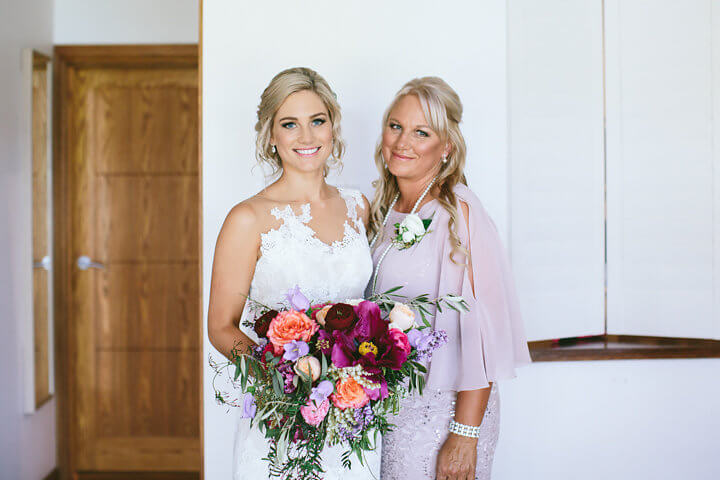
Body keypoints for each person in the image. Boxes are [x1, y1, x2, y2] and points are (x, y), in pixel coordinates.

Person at [207, 67, 380, 480]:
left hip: (353, 419)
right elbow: (220, 327)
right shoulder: (247, 219)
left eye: (317, 121)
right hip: (283, 420)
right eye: (289, 124)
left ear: (333, 128)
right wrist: (286, 384)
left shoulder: (358, 207)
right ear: (271, 134)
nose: (306, 136)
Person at [368, 77, 531, 480]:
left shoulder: (459, 213)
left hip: (443, 415)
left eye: (421, 132)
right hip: (389, 409)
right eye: (395, 126)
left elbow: (483, 333)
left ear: (446, 147)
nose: (402, 142)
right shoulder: (382, 208)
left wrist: (464, 435)